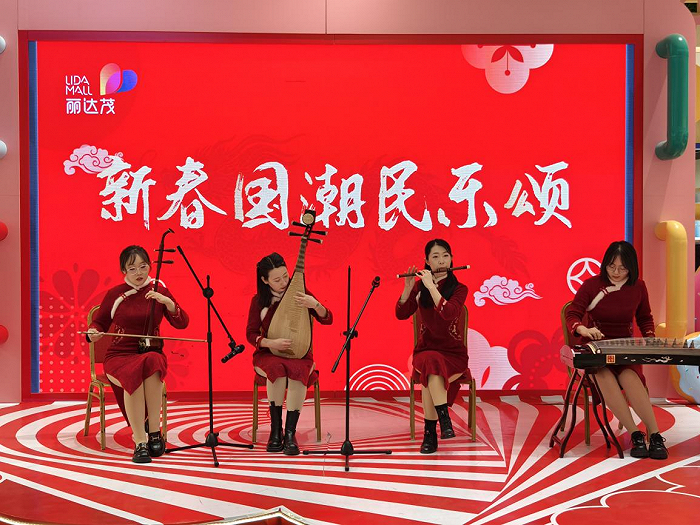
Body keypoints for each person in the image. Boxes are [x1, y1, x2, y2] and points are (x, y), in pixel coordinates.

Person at [566, 240, 668, 459]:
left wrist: (650, 338)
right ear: (605, 264)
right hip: (596, 348)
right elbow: (573, 313)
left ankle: (655, 434)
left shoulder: (638, 287)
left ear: (631, 268)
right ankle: (635, 434)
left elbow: (644, 318)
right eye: (612, 266)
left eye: (623, 268)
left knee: (630, 377)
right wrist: (583, 329)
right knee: (603, 375)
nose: (616, 272)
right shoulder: (591, 285)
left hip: (624, 348)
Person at [87, 245, 189, 463]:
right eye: (132, 269)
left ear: (150, 266)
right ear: (124, 271)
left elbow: (182, 323)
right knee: (135, 371)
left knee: (153, 361)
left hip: (151, 351)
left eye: (143, 266)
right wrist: (93, 333)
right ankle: (140, 440)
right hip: (119, 355)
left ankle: (154, 431)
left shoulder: (159, 289)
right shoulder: (115, 294)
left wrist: (168, 303)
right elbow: (99, 322)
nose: (139, 273)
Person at [246, 252, 333, 455]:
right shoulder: (259, 301)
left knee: (297, 371)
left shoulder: (300, 292)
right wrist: (271, 342)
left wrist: (315, 305)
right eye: (277, 280)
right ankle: (276, 431)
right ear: (264, 280)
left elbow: (328, 319)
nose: (284, 282)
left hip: (299, 354)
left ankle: (290, 433)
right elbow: (251, 334)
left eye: (286, 276)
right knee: (276, 369)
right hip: (268, 354)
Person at [396, 239, 469, 454]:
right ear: (427, 261)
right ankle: (444, 419)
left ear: (452, 258)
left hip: (453, 355)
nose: (441, 261)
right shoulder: (419, 287)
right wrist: (408, 288)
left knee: (431, 370)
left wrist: (431, 286)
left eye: (445, 256)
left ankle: (430, 433)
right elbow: (401, 314)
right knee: (430, 360)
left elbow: (448, 313)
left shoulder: (460, 289)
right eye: (435, 257)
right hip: (425, 351)